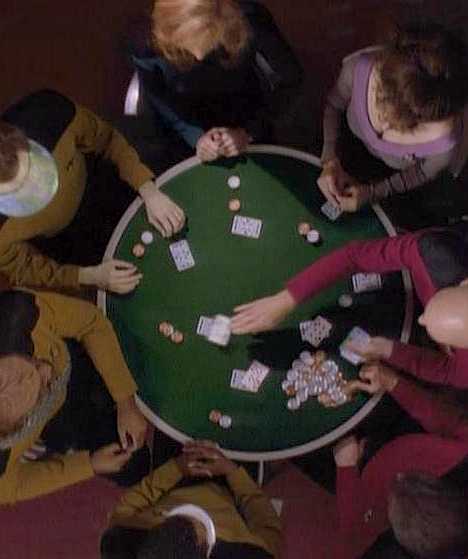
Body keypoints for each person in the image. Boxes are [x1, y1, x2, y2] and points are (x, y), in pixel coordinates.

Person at [231, 223, 468, 387]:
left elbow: (448, 372)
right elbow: (354, 256)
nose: (421, 319)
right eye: (432, 308)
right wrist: (286, 299)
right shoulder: (435, 249)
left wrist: (389, 350)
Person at [0, 90, 185, 293]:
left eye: (35, 167)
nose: (38, 185)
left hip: (109, 186)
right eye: (20, 190)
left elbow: (108, 141)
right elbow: (26, 269)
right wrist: (90, 276)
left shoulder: (50, 113)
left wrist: (148, 190)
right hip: (74, 246)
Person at [0, 289, 149, 505]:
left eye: (32, 365)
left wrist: (126, 402)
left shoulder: (17, 312)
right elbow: (14, 487)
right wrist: (90, 464)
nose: (47, 371)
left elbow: (90, 323)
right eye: (42, 388)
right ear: (19, 428)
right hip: (56, 419)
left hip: (74, 360)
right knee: (133, 466)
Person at [316, 22, 468, 222]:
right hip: (352, 146)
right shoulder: (358, 68)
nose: (384, 126)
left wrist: (373, 193)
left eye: (414, 123)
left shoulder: (446, 141)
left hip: (396, 175)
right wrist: (329, 158)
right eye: (383, 96)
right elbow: (334, 106)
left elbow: (421, 173)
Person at [130, 0, 303, 162]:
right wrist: (195, 137)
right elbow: (160, 101)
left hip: (246, 111)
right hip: (182, 124)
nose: (199, 56)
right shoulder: (146, 41)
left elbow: (291, 80)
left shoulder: (249, 18)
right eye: (187, 45)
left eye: (211, 42)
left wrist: (249, 131)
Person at [332, 362, 468, 558]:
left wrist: (346, 468)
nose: (399, 476)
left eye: (393, 501)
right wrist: (392, 382)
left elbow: (352, 535)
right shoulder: (461, 451)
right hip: (410, 425)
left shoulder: (381, 549)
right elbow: (439, 415)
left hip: (359, 465)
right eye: (416, 478)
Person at [100, 440, 281, 559]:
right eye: (198, 521)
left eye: (162, 517)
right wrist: (232, 472)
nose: (190, 509)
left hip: (173, 480)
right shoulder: (252, 554)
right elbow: (266, 523)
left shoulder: (120, 544)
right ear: (204, 543)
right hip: (233, 491)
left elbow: (130, 504)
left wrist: (177, 467)